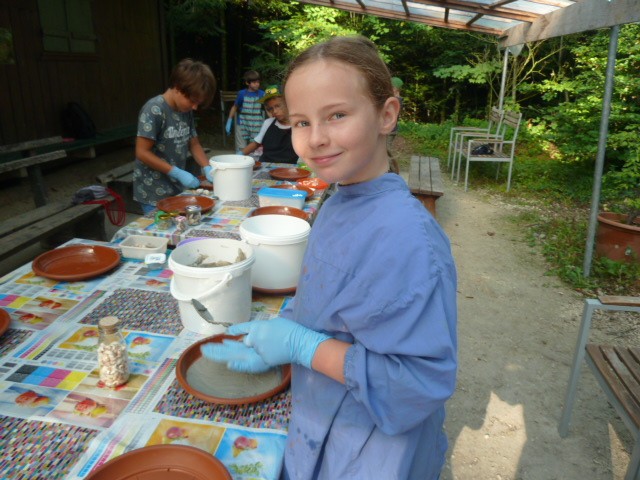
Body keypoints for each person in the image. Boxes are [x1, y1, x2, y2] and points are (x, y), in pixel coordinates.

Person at [202, 36, 457, 479]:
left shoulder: (409, 241)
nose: (316, 139)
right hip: (320, 418)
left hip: (370, 452)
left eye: (337, 115)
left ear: (387, 115)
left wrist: (304, 346)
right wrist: (287, 331)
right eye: (301, 122)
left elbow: (418, 384)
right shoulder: (340, 198)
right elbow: (332, 300)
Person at [133, 58, 216, 214]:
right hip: (153, 191)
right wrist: (176, 172)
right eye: (192, 101)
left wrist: (207, 167)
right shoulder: (154, 109)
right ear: (178, 88)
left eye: (198, 103)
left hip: (176, 188)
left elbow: (194, 143)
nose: (195, 107)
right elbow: (142, 152)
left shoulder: (185, 110)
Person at [240, 85, 298, 164]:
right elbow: (256, 143)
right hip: (266, 165)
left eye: (278, 106)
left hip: (289, 167)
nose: (274, 111)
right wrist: (239, 155)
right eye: (270, 109)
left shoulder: (298, 124)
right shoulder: (268, 123)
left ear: (288, 103)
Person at [226, 70, 265, 151]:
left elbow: (267, 108)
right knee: (241, 147)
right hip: (242, 124)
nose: (257, 84)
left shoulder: (262, 94)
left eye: (258, 82)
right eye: (254, 82)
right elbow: (235, 107)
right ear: (247, 83)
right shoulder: (242, 94)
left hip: (257, 124)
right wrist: (229, 120)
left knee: (255, 148)